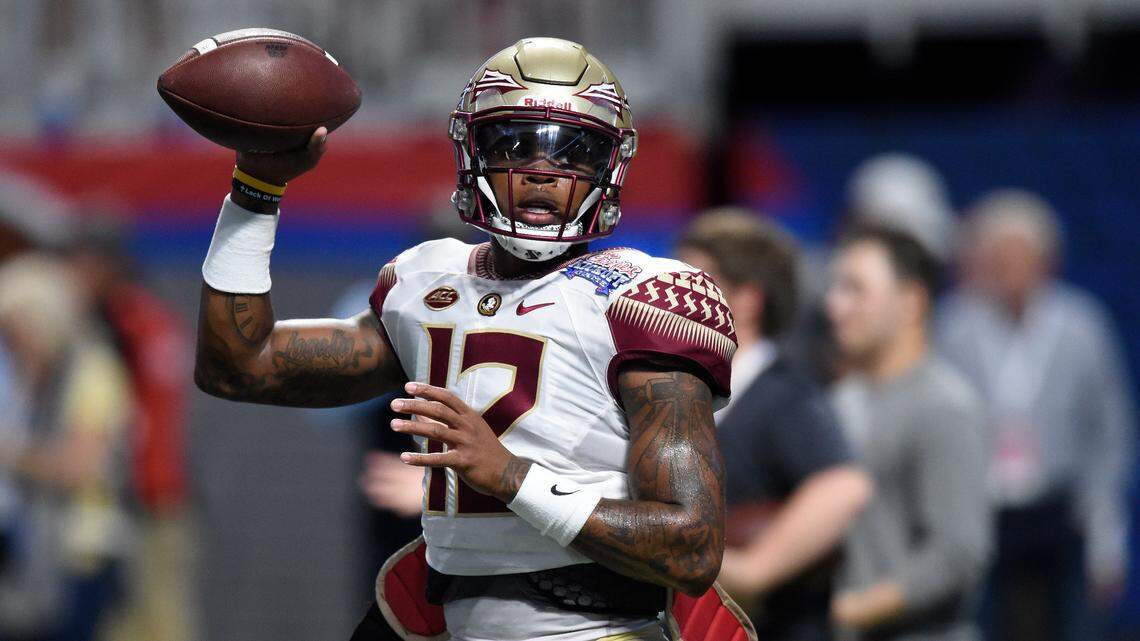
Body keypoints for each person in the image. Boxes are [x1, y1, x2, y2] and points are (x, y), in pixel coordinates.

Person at [192, 38, 740, 641]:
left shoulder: (643, 298)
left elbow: (691, 547)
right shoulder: (424, 282)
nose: (541, 171)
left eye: (574, 151)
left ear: (608, 167)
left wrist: (511, 476)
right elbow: (239, 366)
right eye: (515, 145)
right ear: (471, 151)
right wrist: (257, 189)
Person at [936, 190, 1136, 641]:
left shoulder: (1082, 327)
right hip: (983, 509)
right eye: (1000, 255)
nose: (1011, 267)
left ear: (1047, 260)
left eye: (1021, 254)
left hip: (1060, 507)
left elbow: (1109, 430)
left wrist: (1105, 531)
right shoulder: (955, 327)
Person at [676, 208, 872, 641]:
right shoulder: (686, 389)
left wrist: (752, 571)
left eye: (694, 283)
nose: (673, 297)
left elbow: (843, 487)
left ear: (747, 298)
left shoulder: (784, 393)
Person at [825, 226, 990, 641]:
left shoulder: (945, 406)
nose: (834, 305)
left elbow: (956, 553)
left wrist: (849, 611)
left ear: (911, 302)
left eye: (855, 289)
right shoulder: (841, 398)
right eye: (835, 288)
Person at [0, 254, 134, 641]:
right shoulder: (37, 382)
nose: (12, 347)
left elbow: (79, 467)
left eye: (16, 333)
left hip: (83, 555)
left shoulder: (91, 372)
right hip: (46, 554)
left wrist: (10, 453)